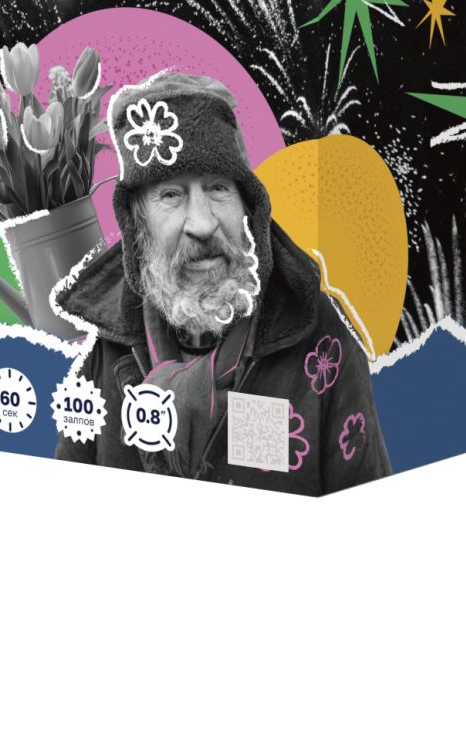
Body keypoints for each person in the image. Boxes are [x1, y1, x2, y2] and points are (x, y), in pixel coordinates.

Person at [54, 71, 391, 494]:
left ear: (248, 207)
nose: (202, 223)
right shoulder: (108, 344)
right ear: (137, 223)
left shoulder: (318, 334)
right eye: (171, 195)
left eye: (218, 188)